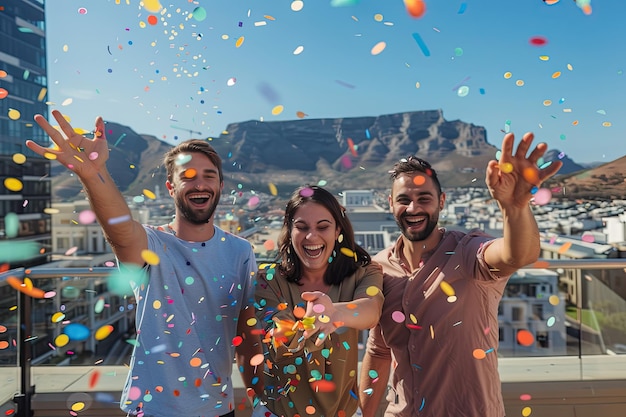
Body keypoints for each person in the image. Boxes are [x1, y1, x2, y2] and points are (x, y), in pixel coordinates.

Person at [27, 110, 263, 417]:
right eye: (187, 177)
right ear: (170, 187)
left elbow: (248, 337)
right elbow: (120, 229)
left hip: (217, 408)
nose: (199, 184)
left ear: (220, 185)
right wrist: (93, 173)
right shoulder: (151, 244)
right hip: (151, 409)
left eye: (209, 176)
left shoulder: (240, 251)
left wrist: (260, 403)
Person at [359, 132, 563, 417]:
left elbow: (517, 255)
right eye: (403, 199)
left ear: (441, 201)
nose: (413, 208)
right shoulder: (379, 268)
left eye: (424, 198)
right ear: (390, 203)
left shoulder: (468, 252)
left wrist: (514, 209)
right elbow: (379, 352)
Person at [253, 185, 384, 417]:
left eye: (323, 227)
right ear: (289, 231)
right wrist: (310, 324)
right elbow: (277, 339)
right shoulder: (267, 279)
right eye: (301, 227)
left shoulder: (365, 272)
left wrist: (336, 314)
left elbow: (371, 309)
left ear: (338, 231)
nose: (311, 237)